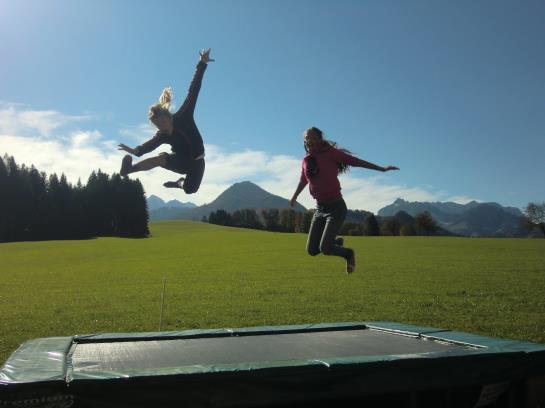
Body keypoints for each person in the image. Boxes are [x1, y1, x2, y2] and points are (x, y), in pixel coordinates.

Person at [290, 127, 399, 274]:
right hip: (319, 209)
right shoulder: (306, 160)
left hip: (336, 207)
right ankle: (336, 242)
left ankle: (348, 254)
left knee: (325, 248)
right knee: (312, 250)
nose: (309, 141)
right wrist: (295, 196)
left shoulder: (331, 153)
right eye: (306, 139)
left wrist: (382, 169)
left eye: (313, 138)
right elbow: (303, 180)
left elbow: (356, 161)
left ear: (320, 139)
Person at [118, 49, 214, 194]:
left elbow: (193, 90)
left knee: (190, 189)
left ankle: (180, 183)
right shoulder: (162, 135)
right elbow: (149, 145)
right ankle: (129, 170)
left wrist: (202, 64)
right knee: (160, 159)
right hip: (180, 161)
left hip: (197, 161)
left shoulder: (184, 115)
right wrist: (135, 151)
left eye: (163, 123)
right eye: (158, 126)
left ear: (169, 117)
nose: (162, 128)